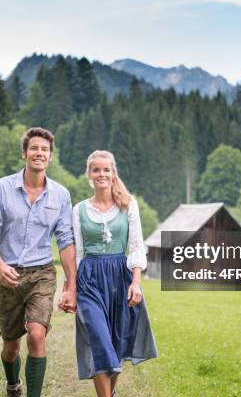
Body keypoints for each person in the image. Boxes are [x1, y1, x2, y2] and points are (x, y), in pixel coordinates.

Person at [0, 127, 77, 397]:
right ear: (24, 153)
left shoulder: (61, 195)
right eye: (34, 148)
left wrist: (71, 284)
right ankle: (13, 385)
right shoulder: (0, 188)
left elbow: (66, 240)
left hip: (42, 274)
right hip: (8, 274)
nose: (39, 153)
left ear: (51, 156)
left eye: (44, 150)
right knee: (11, 347)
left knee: (36, 334)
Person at [73, 150, 158, 397]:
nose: (101, 174)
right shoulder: (78, 209)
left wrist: (136, 282)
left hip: (121, 277)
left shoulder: (128, 204)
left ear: (113, 173)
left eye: (106, 170)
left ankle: (111, 393)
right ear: (89, 174)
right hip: (89, 278)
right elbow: (78, 252)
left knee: (117, 344)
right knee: (99, 340)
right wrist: (72, 288)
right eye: (96, 169)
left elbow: (136, 245)